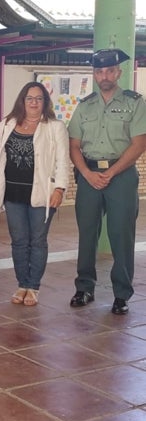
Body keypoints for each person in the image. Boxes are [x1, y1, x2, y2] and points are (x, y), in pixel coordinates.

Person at [68, 48, 146, 315]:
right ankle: (84, 287)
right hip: (89, 175)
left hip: (121, 175)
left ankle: (121, 294)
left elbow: (139, 143)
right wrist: (87, 174)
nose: (105, 75)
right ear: (95, 73)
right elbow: (74, 145)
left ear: (118, 72)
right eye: (100, 71)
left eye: (109, 70)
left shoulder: (134, 102)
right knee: (87, 233)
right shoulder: (85, 105)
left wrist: (111, 173)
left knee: (121, 234)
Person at [0, 82, 69, 306]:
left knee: (37, 240)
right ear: (22, 101)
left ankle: (33, 286)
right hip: (13, 194)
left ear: (45, 102)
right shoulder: (7, 124)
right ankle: (21, 284)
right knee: (18, 241)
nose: (34, 102)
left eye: (38, 98)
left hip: (42, 194)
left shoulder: (55, 127)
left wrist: (60, 188)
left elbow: (63, 161)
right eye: (29, 98)